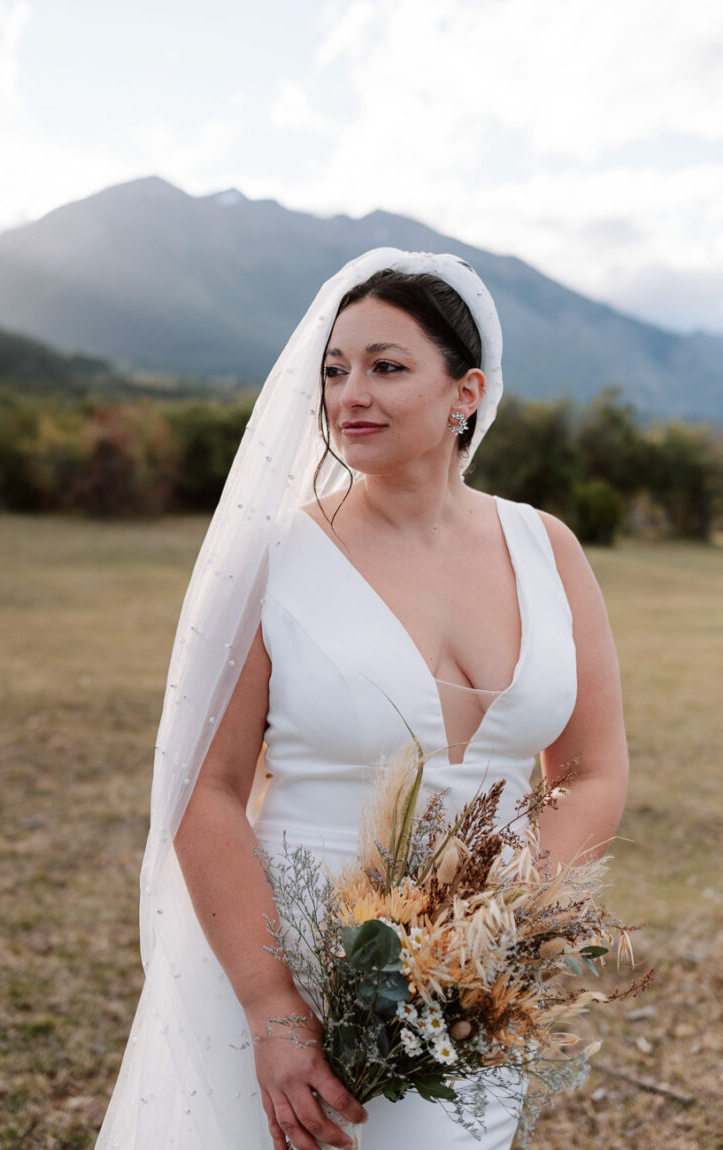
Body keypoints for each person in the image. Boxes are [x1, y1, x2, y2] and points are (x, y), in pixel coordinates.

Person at [95, 249, 628, 1150]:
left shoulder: (549, 549)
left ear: (467, 392)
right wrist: (273, 1008)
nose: (350, 394)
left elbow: (593, 769)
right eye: (335, 371)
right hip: (296, 960)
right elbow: (206, 788)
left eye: (386, 366)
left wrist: (490, 929)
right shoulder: (275, 557)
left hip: (470, 992)